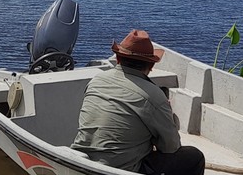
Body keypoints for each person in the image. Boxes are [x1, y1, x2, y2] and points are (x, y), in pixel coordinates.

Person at [71, 29, 205, 175]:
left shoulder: (96, 81)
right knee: (194, 157)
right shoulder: (154, 96)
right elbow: (170, 147)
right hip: (120, 170)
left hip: (81, 162)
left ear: (118, 59)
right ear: (151, 66)